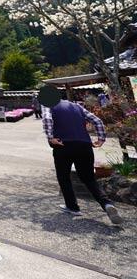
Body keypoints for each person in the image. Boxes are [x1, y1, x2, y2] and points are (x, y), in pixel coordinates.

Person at [38, 86, 123, 224]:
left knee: (64, 176)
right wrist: (101, 139)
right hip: (84, 145)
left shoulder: (48, 105)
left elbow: (47, 119)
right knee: (89, 178)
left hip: (63, 146)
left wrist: (50, 137)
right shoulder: (76, 106)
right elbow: (97, 120)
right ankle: (107, 204)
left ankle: (73, 207)